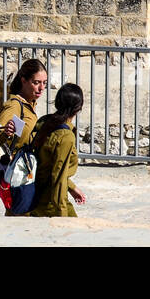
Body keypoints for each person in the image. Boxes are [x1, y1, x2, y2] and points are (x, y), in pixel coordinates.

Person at [26, 84, 87, 217]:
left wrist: (72, 188)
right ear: (78, 108)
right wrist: (61, 215)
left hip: (33, 194)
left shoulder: (45, 122)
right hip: (49, 202)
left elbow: (47, 166)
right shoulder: (66, 137)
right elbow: (57, 177)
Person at [0, 58, 47, 154]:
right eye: (36, 82)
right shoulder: (14, 106)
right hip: (12, 166)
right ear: (24, 81)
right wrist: (5, 133)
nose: (42, 88)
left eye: (44, 82)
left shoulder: (29, 104)